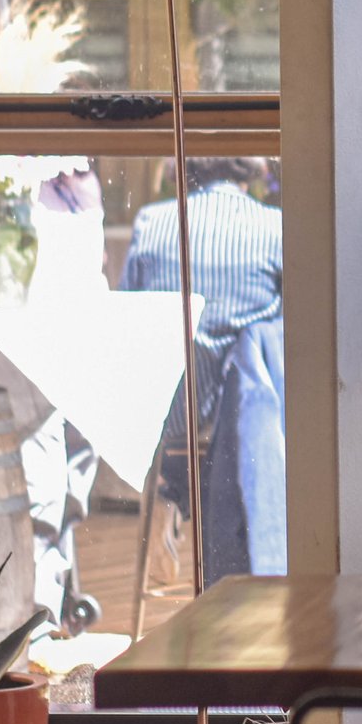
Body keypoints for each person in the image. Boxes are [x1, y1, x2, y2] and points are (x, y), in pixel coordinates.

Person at [120, 158, 287, 577]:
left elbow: (128, 314)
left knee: (199, 389)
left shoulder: (152, 222)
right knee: (255, 373)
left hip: (166, 410)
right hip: (243, 418)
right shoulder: (274, 229)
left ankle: (173, 492)